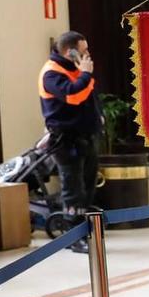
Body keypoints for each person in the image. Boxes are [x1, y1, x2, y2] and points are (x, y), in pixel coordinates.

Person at [40, 30, 100, 227]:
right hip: (66, 140)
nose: (88, 54)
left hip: (86, 136)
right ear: (69, 52)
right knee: (73, 189)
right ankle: (73, 234)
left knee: (88, 185)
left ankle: (86, 230)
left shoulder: (76, 68)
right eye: (84, 51)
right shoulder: (51, 72)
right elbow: (73, 96)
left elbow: (89, 96)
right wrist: (85, 74)